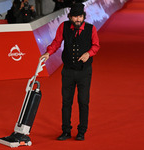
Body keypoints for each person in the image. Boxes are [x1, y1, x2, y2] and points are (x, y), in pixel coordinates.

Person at [39, 3, 100, 141]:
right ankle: (66, 131)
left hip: (84, 72)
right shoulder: (64, 27)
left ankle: (81, 131)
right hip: (67, 71)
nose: (78, 19)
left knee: (83, 101)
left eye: (80, 16)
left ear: (83, 16)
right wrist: (48, 53)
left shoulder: (91, 29)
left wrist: (89, 54)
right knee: (66, 102)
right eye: (75, 17)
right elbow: (56, 42)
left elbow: (96, 45)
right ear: (70, 17)